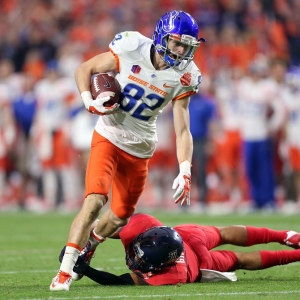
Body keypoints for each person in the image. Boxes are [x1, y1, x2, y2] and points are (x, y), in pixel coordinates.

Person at [50, 10, 205, 291]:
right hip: (108, 135)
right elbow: (84, 69)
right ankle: (64, 270)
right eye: (176, 42)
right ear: (161, 37)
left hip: (141, 148)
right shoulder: (131, 46)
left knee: (119, 216)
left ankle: (90, 245)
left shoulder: (187, 75)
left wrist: (185, 168)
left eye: (187, 45)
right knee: (95, 200)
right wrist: (89, 101)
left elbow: (183, 128)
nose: (181, 50)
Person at [58, 212, 300, 286]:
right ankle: (286, 236)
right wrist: (83, 249)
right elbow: (103, 227)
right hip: (188, 234)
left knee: (240, 260)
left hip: (201, 263)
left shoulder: (173, 274)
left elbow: (120, 281)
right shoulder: (140, 226)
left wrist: (85, 268)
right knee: (224, 232)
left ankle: (296, 253)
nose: (137, 260)